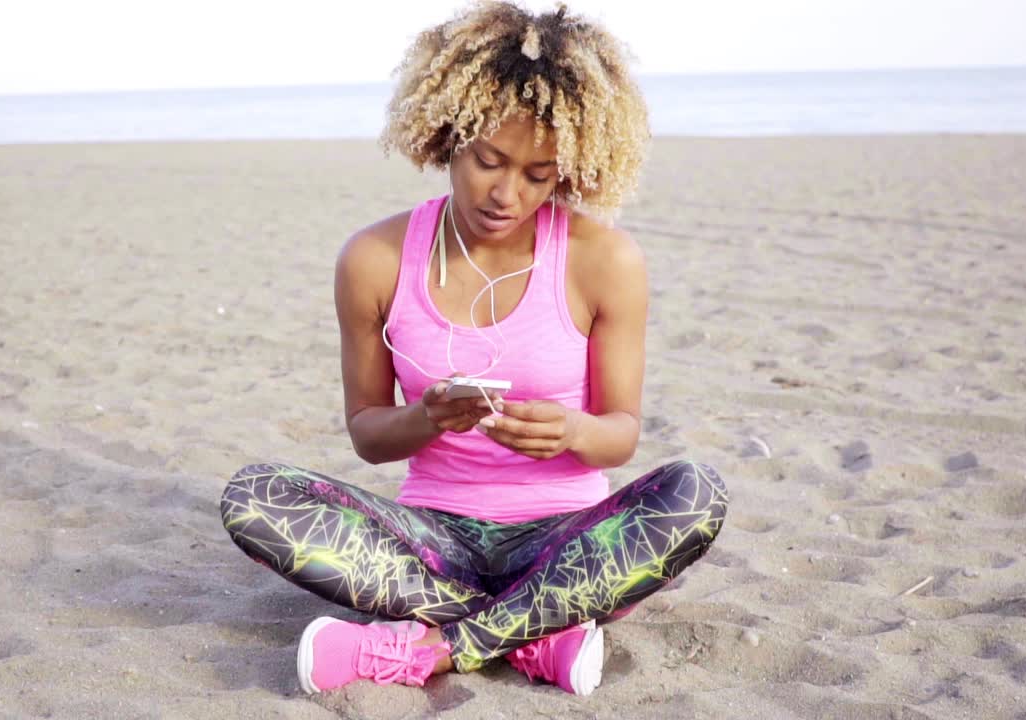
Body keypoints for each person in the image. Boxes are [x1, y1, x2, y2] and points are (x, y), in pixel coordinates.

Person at [220, 1, 728, 696]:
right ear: (449, 135)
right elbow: (369, 435)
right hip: (434, 543)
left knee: (695, 492)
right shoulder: (374, 259)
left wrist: (574, 430)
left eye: (538, 174)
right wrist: (427, 418)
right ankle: (535, 635)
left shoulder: (605, 260)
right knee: (255, 496)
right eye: (489, 160)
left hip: (566, 539)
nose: (506, 193)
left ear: (570, 168)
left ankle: (439, 648)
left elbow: (621, 436)